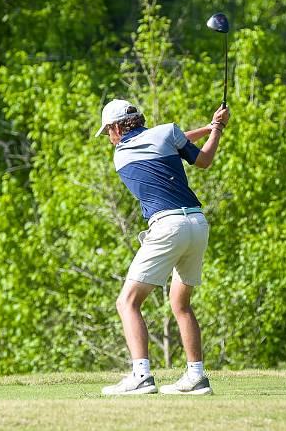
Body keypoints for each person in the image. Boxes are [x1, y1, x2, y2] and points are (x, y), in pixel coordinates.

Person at [95, 99, 229, 396]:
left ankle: (141, 375)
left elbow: (168, 140)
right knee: (181, 304)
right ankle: (196, 376)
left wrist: (209, 127)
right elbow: (201, 158)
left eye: (108, 132)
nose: (109, 138)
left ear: (117, 127)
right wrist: (215, 129)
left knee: (127, 302)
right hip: (197, 223)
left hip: (167, 226)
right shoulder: (167, 132)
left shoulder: (121, 154)